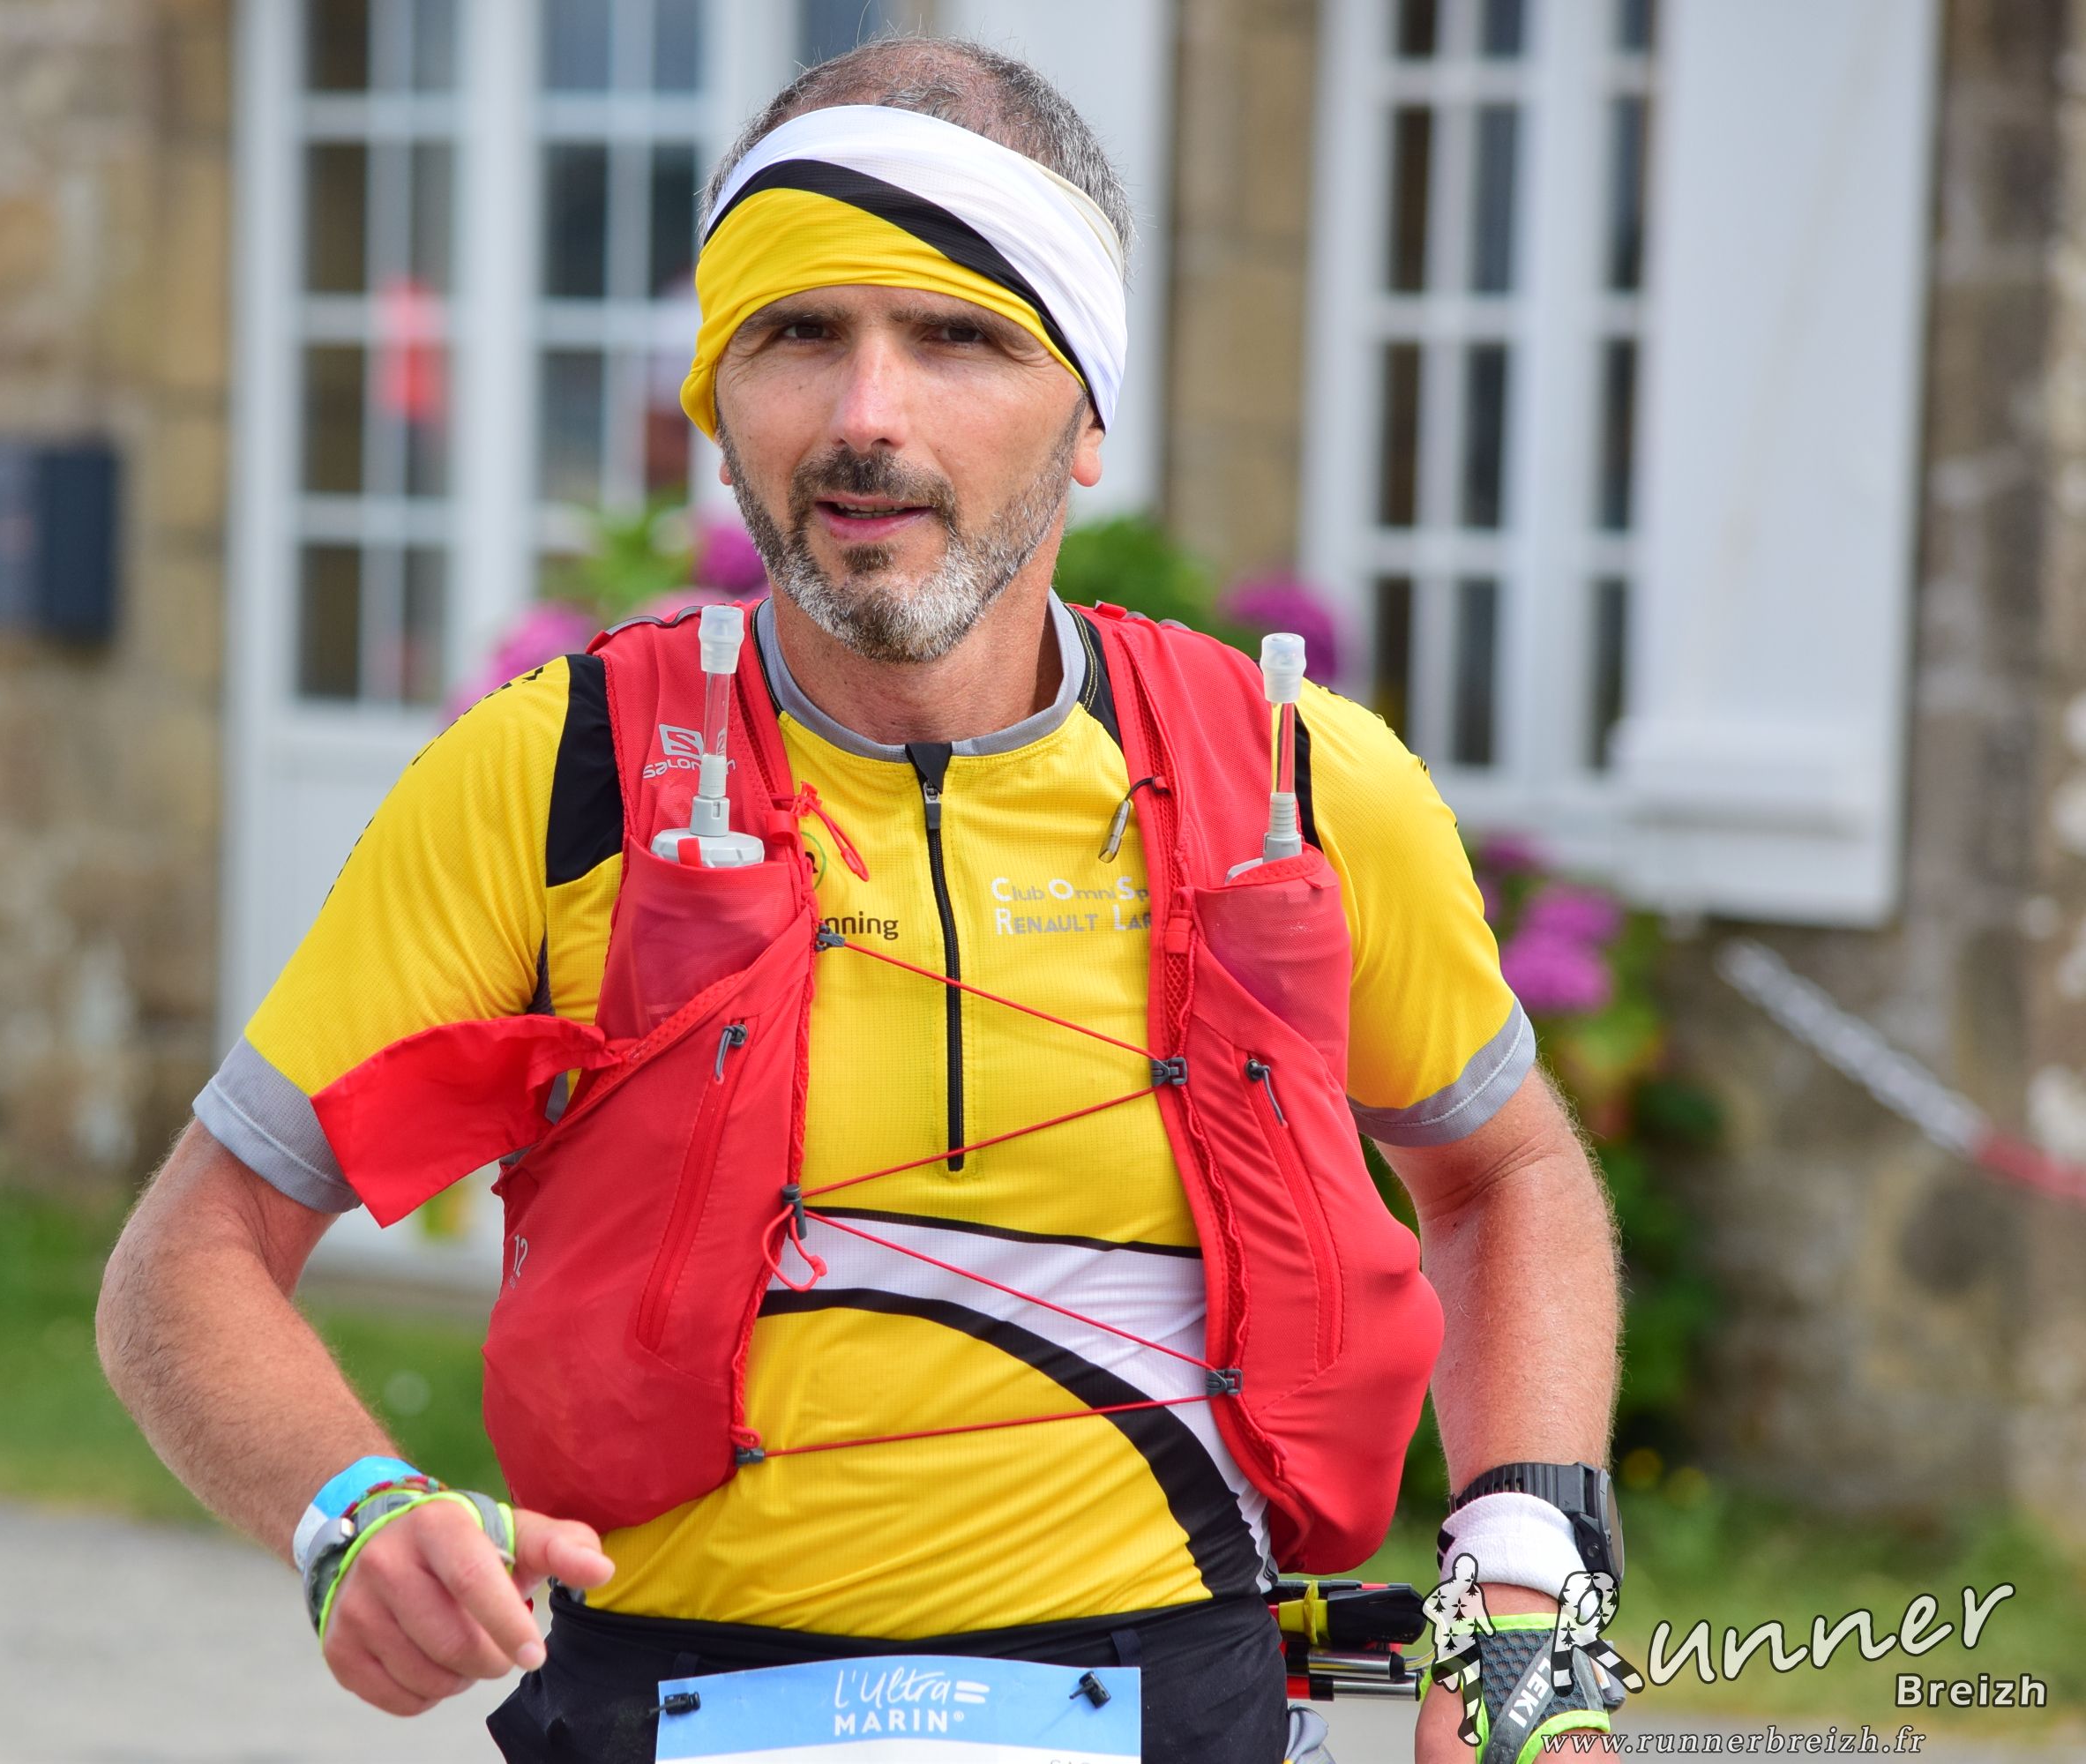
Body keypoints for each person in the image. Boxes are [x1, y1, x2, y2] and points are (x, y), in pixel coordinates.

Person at [96, 34, 1622, 1764]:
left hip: (1184, 1708)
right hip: (656, 1701)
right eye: (798, 333)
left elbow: (1505, 1179)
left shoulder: (1296, 782)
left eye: (958, 337)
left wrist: (1524, 1580)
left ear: (1089, 414)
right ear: (716, 399)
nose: (864, 417)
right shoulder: (554, 775)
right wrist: (350, 1509)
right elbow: (188, 1262)